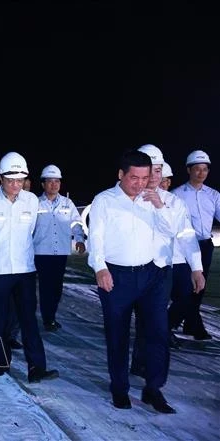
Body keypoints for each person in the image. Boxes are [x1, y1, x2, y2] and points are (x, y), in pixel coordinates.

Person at [87, 149, 178, 413]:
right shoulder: (104, 200)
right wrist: (100, 269)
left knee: (158, 333)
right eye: (134, 178)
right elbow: (97, 238)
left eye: (145, 177)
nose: (140, 183)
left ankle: (153, 389)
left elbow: (171, 232)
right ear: (121, 175)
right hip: (117, 277)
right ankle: (119, 388)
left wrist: (159, 206)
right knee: (117, 335)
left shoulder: (154, 199)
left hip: (151, 276)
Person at [0, 151, 59, 382]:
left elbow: (31, 232)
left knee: (29, 320)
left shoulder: (31, 201)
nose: (15, 185)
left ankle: (36, 368)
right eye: (10, 180)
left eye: (19, 180)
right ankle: (1, 362)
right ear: (0, 178)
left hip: (25, 271)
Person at [129, 144, 204, 377]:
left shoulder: (174, 203)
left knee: (154, 321)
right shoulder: (126, 199)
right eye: (151, 170)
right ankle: (133, 364)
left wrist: (196, 268)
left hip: (162, 270)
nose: (155, 176)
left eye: (159, 170)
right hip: (132, 270)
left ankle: (147, 367)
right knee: (134, 320)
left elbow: (185, 235)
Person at [171, 150, 220, 340]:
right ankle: (172, 323)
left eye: (205, 169)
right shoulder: (177, 195)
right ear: (188, 170)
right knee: (184, 288)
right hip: (183, 247)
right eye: (197, 169)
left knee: (199, 287)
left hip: (205, 245)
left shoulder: (214, 195)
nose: (201, 173)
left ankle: (191, 325)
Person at [32, 165, 85, 331]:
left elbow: (76, 222)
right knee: (45, 287)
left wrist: (79, 239)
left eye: (57, 181)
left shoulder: (67, 203)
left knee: (56, 288)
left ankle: (50, 314)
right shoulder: (35, 203)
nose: (54, 185)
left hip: (60, 252)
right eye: (50, 181)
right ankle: (48, 319)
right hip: (41, 252)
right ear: (43, 184)